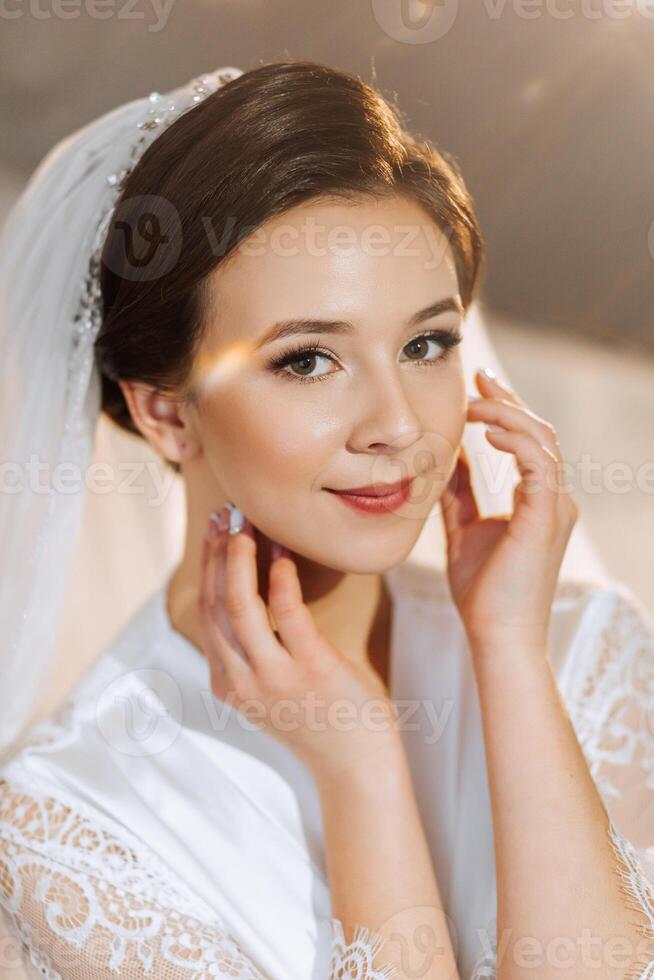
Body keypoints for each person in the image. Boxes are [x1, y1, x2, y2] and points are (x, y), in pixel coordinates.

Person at [0, 59, 653, 980]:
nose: (397, 425)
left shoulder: (578, 655)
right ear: (165, 412)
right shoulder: (68, 819)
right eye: (308, 361)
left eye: (426, 343)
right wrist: (363, 780)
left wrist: (507, 646)